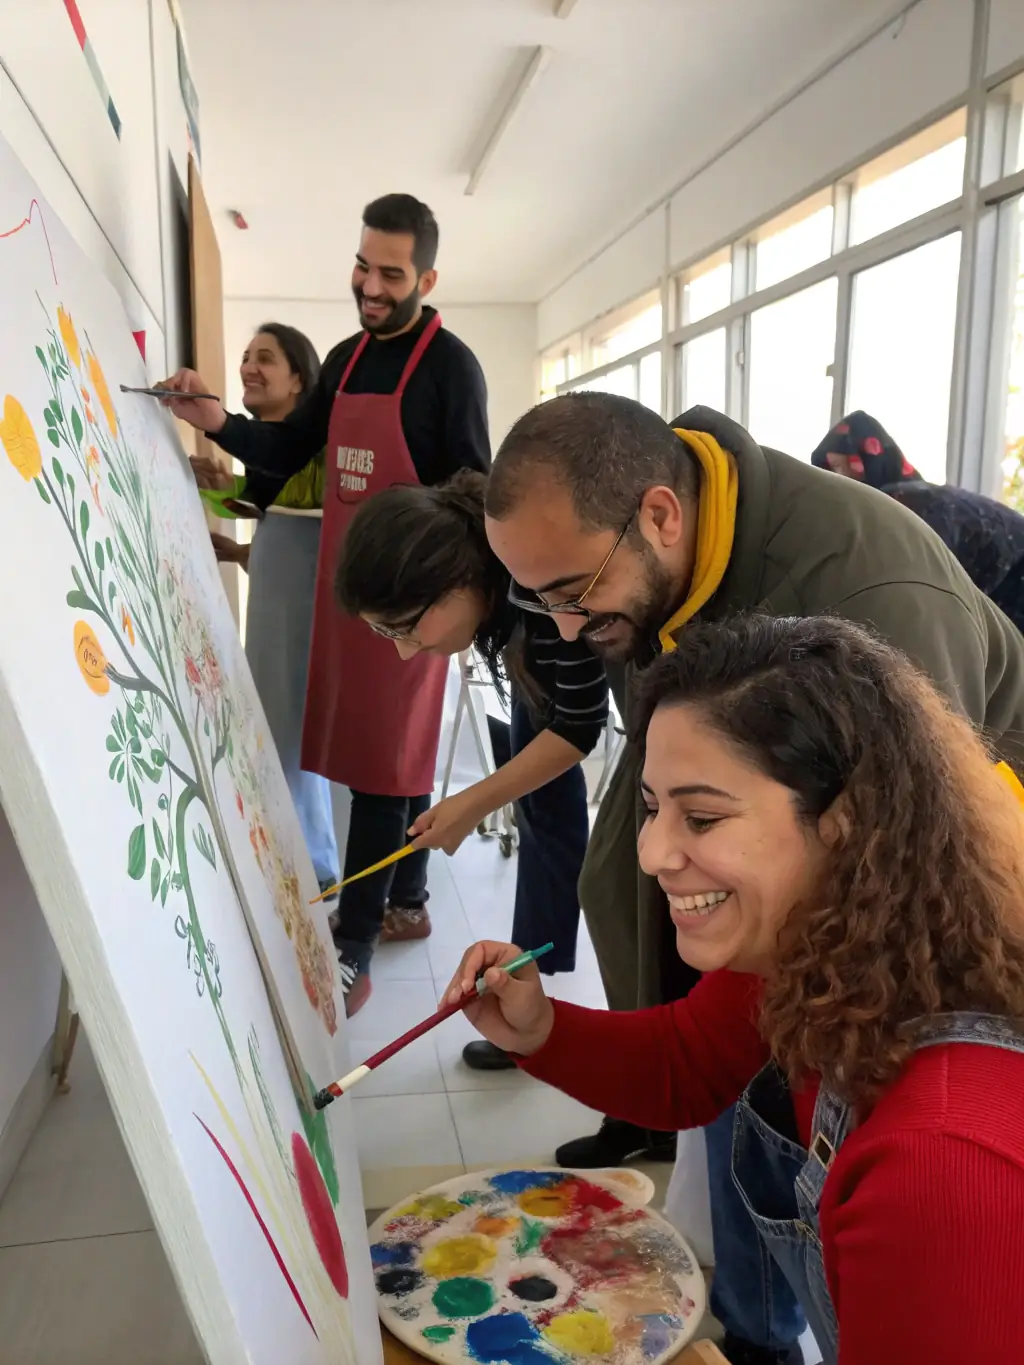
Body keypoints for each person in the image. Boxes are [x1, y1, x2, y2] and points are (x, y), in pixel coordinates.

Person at [481, 393, 1024, 1365]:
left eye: (701, 816)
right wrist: (540, 1029)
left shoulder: (941, 1164)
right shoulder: (821, 938)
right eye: (648, 809)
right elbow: (690, 1062)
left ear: (848, 820)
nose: (651, 855)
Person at [160, 194, 491, 1016]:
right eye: (362, 266)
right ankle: (408, 893)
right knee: (373, 753)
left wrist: (457, 605)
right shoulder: (344, 359)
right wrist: (217, 420)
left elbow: (477, 487)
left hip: (417, 601)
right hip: (351, 592)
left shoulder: (452, 368)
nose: (370, 285)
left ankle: (355, 944)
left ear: (426, 277)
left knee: (385, 767)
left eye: (390, 273)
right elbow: (284, 447)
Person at [335, 470, 608, 1070]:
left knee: (614, 884)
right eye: (386, 633)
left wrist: (472, 803)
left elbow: (579, 726)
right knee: (538, 806)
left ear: (455, 579)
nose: (404, 651)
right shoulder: (499, 599)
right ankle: (530, 1012)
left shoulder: (541, 585)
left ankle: (644, 1098)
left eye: (405, 628)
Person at [199, 323, 340, 902]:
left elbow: (293, 502)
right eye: (245, 357)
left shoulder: (313, 445)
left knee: (292, 735)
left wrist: (228, 486)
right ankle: (303, 865)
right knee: (277, 728)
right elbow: (266, 507)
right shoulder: (271, 447)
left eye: (265, 359)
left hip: (299, 611)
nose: (248, 368)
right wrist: (217, 492)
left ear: (299, 378)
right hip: (277, 605)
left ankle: (315, 871)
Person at [812, 409, 1024, 633]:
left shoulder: (906, 501)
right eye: (832, 469)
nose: (838, 477)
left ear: (869, 458)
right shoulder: (909, 497)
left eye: (842, 465)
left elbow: (919, 584)